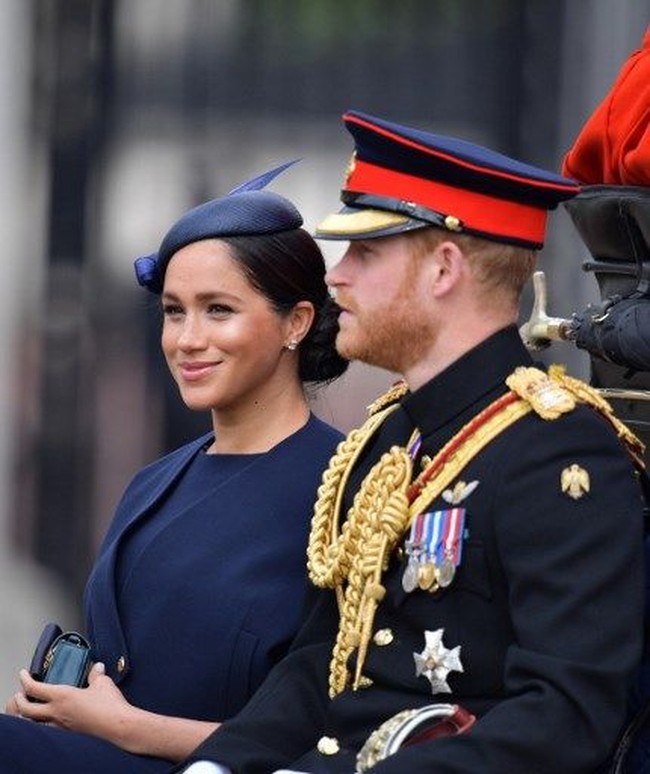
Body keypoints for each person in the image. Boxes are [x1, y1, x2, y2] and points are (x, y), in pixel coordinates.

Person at [175, 111, 647, 774]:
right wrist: (217, 766)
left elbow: (563, 718)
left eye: (364, 254)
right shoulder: (390, 433)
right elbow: (321, 663)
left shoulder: (559, 452)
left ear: (444, 269)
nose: (335, 276)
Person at [0, 162, 348, 773]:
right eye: (173, 311)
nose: (186, 339)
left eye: (218, 310)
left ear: (296, 322)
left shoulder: (343, 488)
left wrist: (130, 729)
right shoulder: (154, 482)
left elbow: (327, 742)